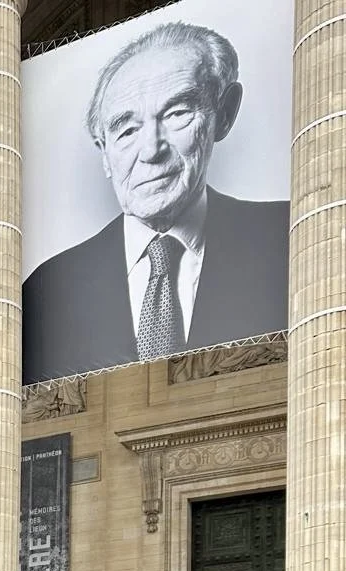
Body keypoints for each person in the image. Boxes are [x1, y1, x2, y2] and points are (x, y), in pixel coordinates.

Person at [23, 20, 289, 385]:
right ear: (104, 153)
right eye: (127, 130)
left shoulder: (290, 237)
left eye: (176, 113)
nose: (151, 150)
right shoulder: (45, 289)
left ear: (223, 114)